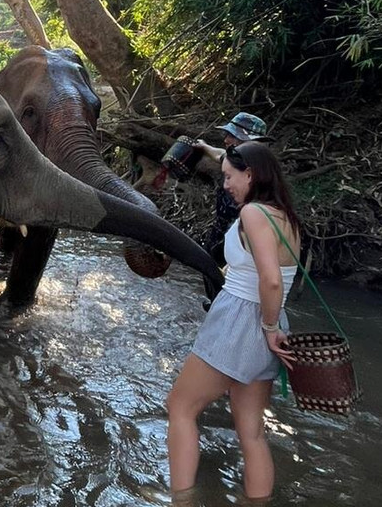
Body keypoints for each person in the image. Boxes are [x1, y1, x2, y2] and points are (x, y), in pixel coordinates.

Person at [166, 140, 300, 504]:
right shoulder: (286, 216)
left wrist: (268, 330)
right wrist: (273, 328)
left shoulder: (254, 213)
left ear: (251, 174)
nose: (225, 185)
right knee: (252, 432)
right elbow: (279, 282)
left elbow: (270, 278)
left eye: (229, 177)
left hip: (241, 322)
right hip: (272, 321)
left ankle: (182, 499)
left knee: (180, 408)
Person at [194, 112, 273, 266]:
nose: (226, 140)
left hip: (238, 250)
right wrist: (204, 146)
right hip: (218, 242)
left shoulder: (261, 177)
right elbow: (220, 155)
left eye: (232, 135)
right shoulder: (234, 159)